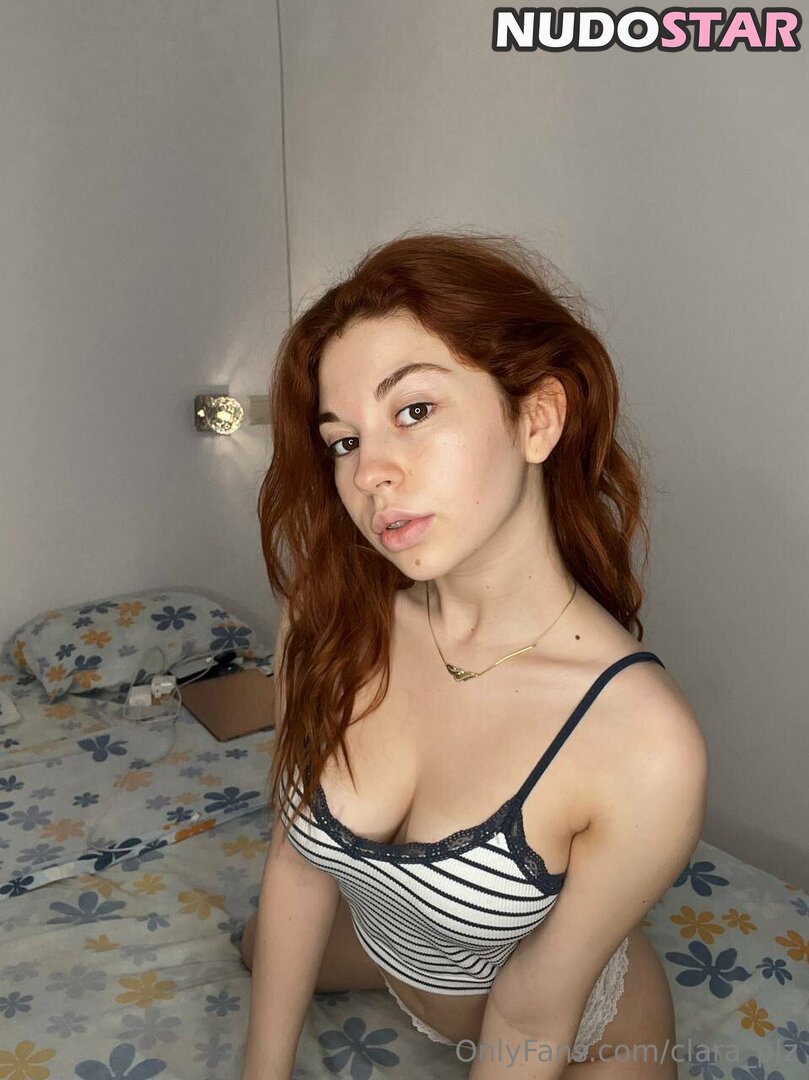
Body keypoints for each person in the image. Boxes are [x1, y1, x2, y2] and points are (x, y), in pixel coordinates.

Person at [239, 231, 708, 1080]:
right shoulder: (325, 616)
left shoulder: (642, 740)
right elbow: (297, 864)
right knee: (251, 949)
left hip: (583, 1036)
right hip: (393, 954)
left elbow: (529, 1009)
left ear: (536, 419)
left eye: (413, 411)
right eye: (343, 440)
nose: (370, 473)